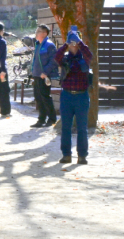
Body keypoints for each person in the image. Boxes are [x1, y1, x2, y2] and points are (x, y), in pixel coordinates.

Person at [54, 28, 93, 164]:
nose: (73, 44)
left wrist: (80, 42)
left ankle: (82, 156)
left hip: (81, 97)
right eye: (71, 42)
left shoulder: (85, 58)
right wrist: (65, 44)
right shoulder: (65, 58)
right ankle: (66, 155)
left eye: (74, 41)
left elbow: (90, 55)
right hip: (67, 96)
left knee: (82, 128)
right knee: (66, 127)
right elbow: (56, 57)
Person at [31, 24, 58, 127]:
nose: (36, 33)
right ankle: (41, 120)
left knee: (45, 97)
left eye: (38, 31)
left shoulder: (49, 45)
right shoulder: (38, 44)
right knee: (38, 98)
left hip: (44, 76)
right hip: (37, 75)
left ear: (44, 33)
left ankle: (52, 119)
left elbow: (54, 61)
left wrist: (45, 72)